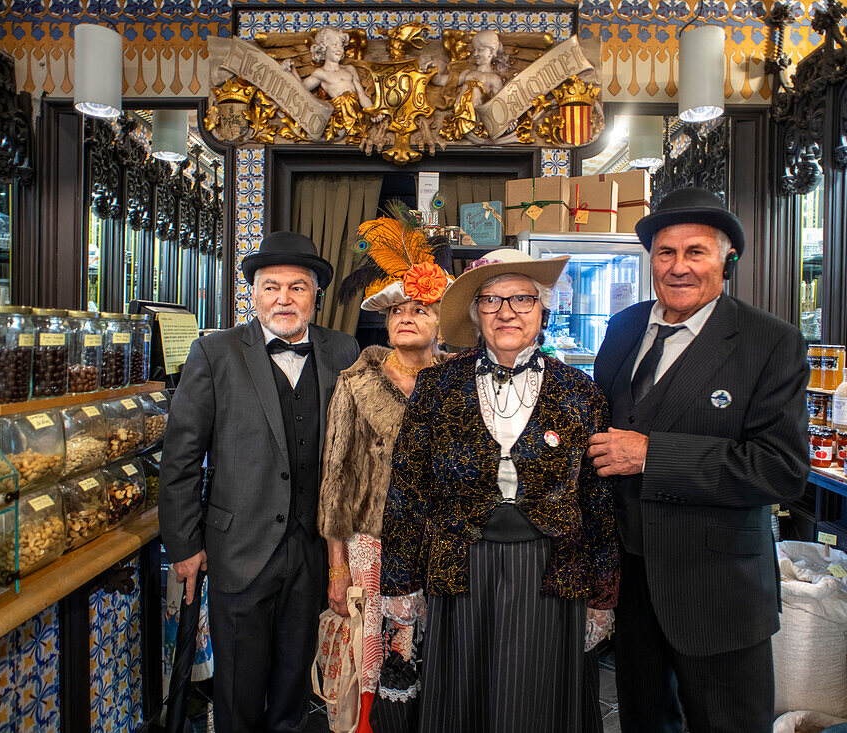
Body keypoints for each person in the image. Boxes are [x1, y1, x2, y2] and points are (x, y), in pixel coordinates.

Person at [588, 187, 810, 733]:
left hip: (716, 590)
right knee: (644, 719)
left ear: (726, 259)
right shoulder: (624, 329)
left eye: (696, 252)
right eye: (666, 253)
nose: (679, 267)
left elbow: (779, 468)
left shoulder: (769, 342)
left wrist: (652, 455)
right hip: (634, 585)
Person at [381, 248, 619, 733]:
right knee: (463, 700)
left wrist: (603, 594)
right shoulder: (436, 387)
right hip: (461, 565)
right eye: (490, 300)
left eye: (522, 299)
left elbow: (598, 501)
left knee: (537, 702)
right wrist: (400, 581)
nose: (506, 311)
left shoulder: (581, 392)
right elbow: (408, 489)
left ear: (543, 309)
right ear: (475, 314)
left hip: (551, 570)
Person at [159, 230, 360, 733]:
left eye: (297, 287)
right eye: (272, 287)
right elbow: (181, 457)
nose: (284, 299)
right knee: (237, 691)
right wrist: (184, 545)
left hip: (313, 549)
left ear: (315, 295)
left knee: (294, 687)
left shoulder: (343, 350)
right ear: (253, 294)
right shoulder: (215, 352)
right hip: (238, 546)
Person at [318, 214, 454, 733]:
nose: (406, 318)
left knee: (438, 648)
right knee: (372, 652)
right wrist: (337, 564)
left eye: (420, 309)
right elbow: (336, 479)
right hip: (371, 542)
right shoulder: (355, 384)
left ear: (442, 319)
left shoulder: (459, 381)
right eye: (397, 310)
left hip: (443, 540)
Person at [283, 27, 372, 144]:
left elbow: (362, 96)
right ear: (323, 48)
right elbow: (302, 90)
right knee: (346, 98)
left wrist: (372, 111)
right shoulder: (321, 73)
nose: (339, 49)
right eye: (334, 45)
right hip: (337, 115)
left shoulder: (350, 69)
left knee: (349, 98)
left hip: (354, 112)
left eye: (341, 46)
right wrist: (292, 70)